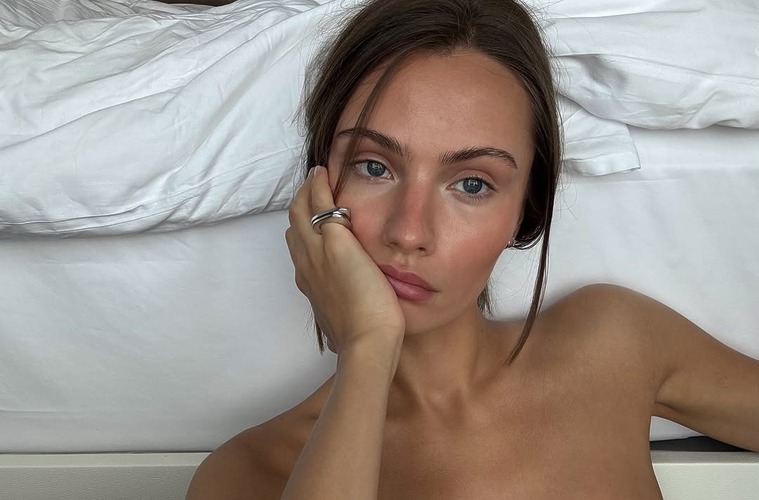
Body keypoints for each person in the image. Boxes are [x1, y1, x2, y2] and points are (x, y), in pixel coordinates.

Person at [187, 0, 759, 498]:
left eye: (472, 184)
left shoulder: (612, 346)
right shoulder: (249, 473)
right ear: (318, 188)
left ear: (525, 212)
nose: (409, 232)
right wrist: (367, 349)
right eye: (374, 167)